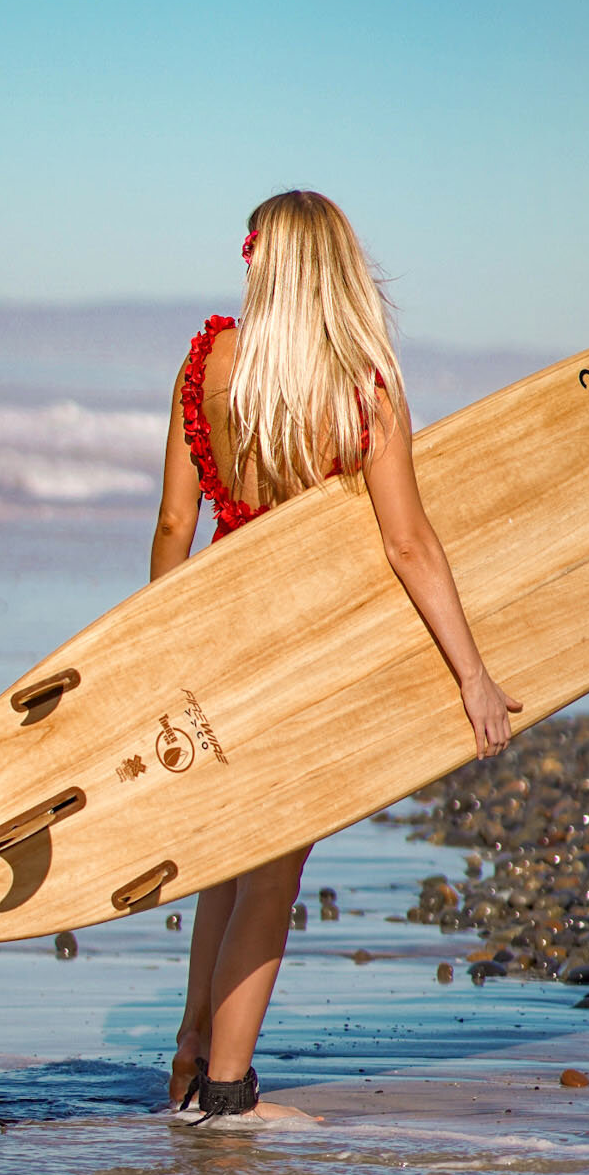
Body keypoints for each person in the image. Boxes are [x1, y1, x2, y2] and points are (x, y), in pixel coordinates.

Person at [149, 190, 519, 1121]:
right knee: (272, 871)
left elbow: (171, 525)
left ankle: (190, 1058)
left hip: (216, 647)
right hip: (305, 660)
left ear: (264, 264)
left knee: (225, 861)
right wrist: (472, 674)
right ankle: (227, 1100)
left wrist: (156, 659)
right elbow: (410, 545)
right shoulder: (362, 388)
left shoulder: (208, 365)